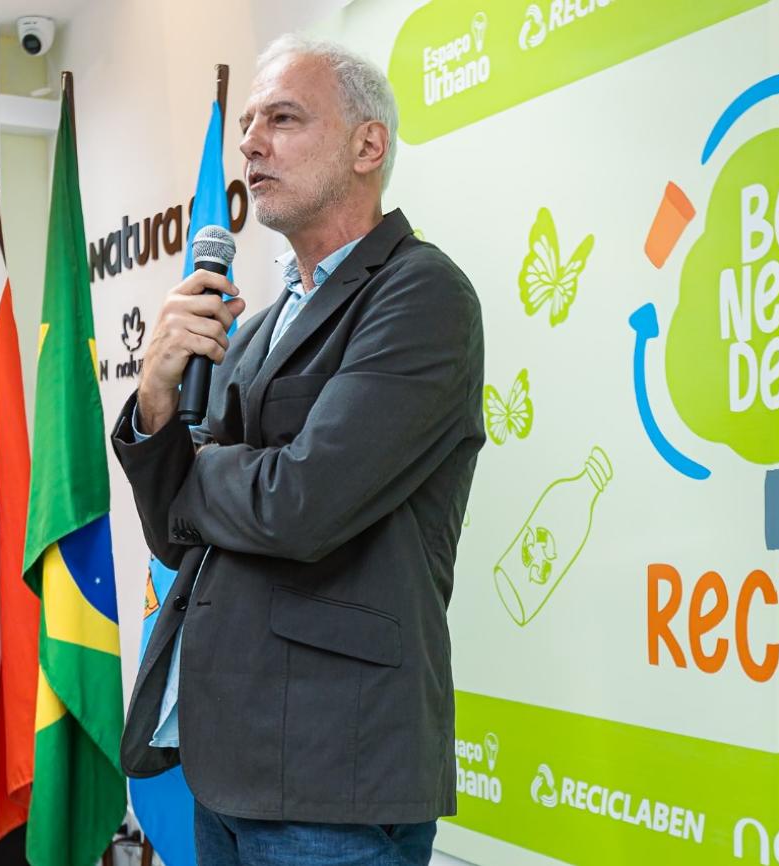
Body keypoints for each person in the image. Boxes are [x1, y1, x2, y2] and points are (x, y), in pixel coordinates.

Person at [111, 35, 485, 866]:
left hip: (333, 774)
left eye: (282, 119)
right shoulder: (255, 326)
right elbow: (175, 535)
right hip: (227, 762)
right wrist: (157, 401)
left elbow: (301, 503)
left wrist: (199, 470)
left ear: (367, 145)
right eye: (248, 124)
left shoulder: (422, 294)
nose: (251, 143)